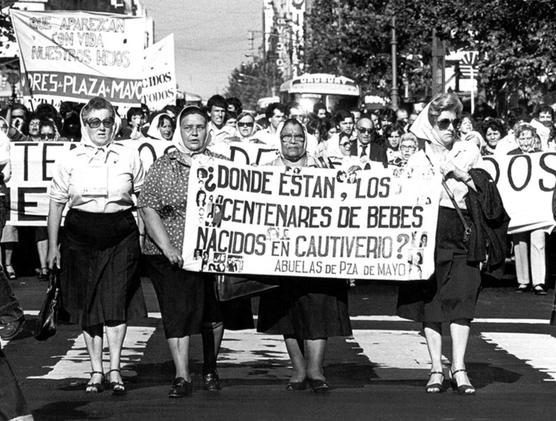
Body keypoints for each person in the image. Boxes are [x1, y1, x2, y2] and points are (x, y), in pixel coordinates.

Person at [138, 106, 253, 398]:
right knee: (178, 314)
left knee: (213, 314)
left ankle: (211, 367)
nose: (194, 133)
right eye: (188, 127)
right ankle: (182, 375)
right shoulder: (165, 165)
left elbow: (242, 203)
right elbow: (148, 206)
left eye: (199, 127)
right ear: (180, 130)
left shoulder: (223, 165)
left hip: (211, 253)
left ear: (208, 130)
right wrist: (167, 247)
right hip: (171, 254)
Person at [47, 97, 147, 395]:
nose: (101, 128)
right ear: (85, 124)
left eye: (107, 121)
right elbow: (55, 203)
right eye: (95, 122)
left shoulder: (129, 156)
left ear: (115, 123)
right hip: (80, 234)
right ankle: (96, 370)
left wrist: (141, 237)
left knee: (117, 302)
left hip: (121, 233)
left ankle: (115, 369)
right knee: (89, 305)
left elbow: (143, 201)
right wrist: (53, 246)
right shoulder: (70, 158)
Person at [397, 93, 487, 396]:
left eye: (455, 122)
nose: (451, 128)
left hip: (461, 231)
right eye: (443, 122)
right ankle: (436, 367)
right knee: (431, 304)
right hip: (426, 235)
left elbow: (487, 192)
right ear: (431, 124)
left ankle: (459, 368)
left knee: (462, 301)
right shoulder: (417, 158)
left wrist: (459, 172)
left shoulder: (469, 151)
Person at [257, 118, 352, 393]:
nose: (293, 141)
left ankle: (316, 369)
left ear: (305, 139)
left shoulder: (322, 167)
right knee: (287, 311)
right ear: (280, 140)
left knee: (318, 308)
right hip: (279, 253)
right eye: (287, 136)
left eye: (298, 136)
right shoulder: (264, 171)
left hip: (317, 252)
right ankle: (298, 369)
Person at [509, 124, 547, 295]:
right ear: (517, 140)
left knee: (538, 241)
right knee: (519, 242)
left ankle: (539, 281)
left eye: (528, 137)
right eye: (522, 138)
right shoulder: (509, 157)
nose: (525, 141)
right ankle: (523, 281)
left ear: (534, 139)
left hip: (538, 206)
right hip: (518, 207)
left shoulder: (542, 157)